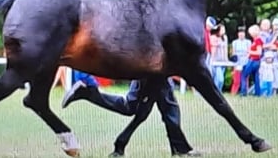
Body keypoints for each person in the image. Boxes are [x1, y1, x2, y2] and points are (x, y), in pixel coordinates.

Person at [62, 77, 200, 157]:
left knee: (143, 112)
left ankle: (120, 145)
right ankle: (87, 93)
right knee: (132, 107)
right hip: (150, 65)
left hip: (154, 66)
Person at [240, 24, 263, 96]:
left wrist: (250, 52)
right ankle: (257, 93)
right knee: (256, 77)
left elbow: (259, 52)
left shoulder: (258, 40)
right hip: (254, 60)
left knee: (244, 74)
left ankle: (243, 92)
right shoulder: (255, 40)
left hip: (253, 61)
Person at [230, 26, 251, 95]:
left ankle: (245, 92)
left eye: (243, 33)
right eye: (240, 33)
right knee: (236, 80)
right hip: (238, 62)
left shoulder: (248, 42)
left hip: (245, 62)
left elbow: (249, 52)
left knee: (245, 79)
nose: (241, 35)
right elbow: (233, 53)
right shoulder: (235, 42)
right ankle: (233, 93)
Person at [210, 24, 228, 92]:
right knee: (220, 79)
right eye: (222, 29)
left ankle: (219, 92)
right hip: (216, 61)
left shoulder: (225, 38)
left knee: (220, 79)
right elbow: (212, 49)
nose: (223, 31)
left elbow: (225, 48)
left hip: (223, 60)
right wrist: (212, 59)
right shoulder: (213, 37)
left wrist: (226, 59)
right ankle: (215, 91)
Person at [270, 17, 278, 95]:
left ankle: (275, 90)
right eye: (275, 25)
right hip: (268, 54)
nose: (276, 26)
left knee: (275, 72)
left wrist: (277, 47)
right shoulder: (270, 33)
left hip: (275, 55)